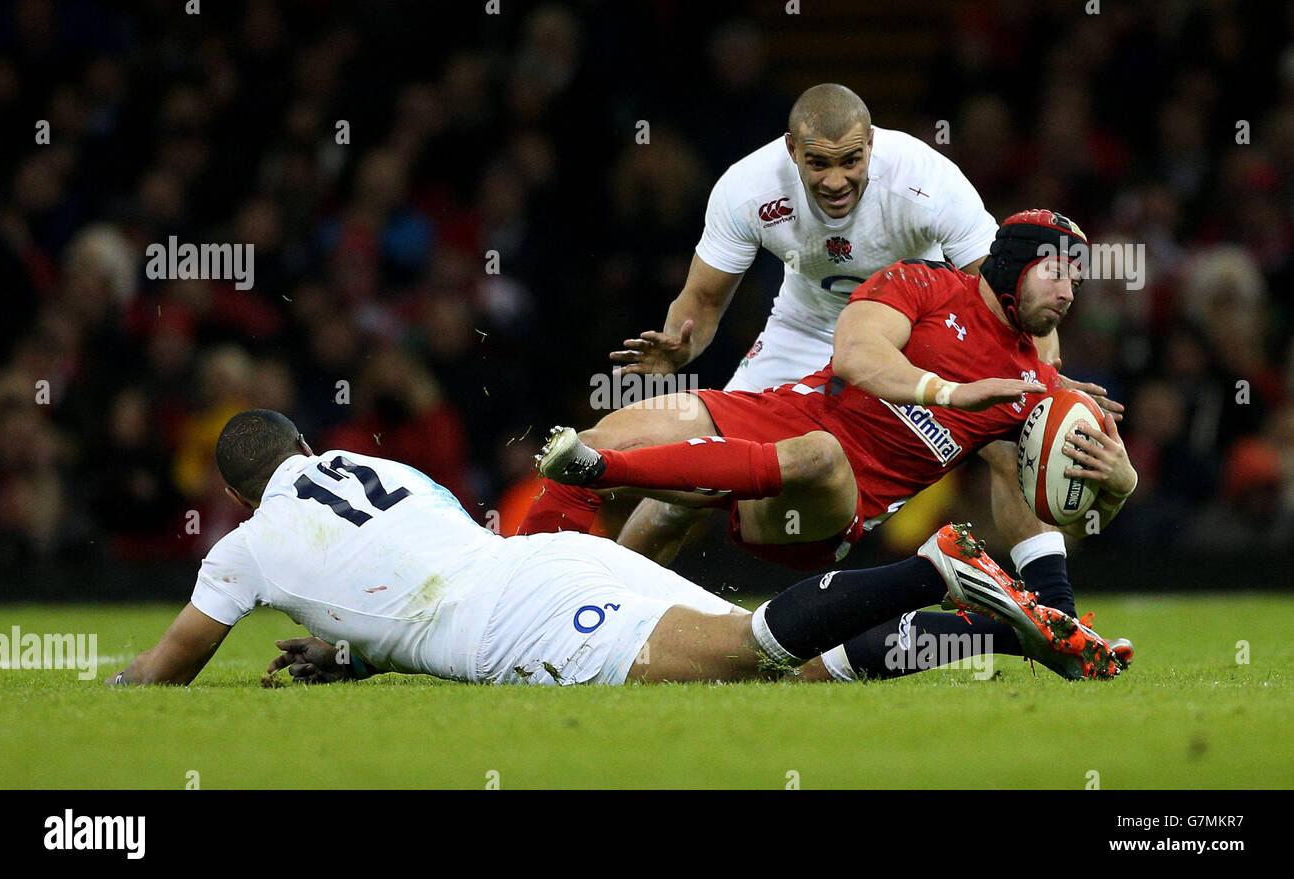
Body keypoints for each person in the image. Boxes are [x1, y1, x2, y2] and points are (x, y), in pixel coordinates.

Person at [548, 85, 1119, 621]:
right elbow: (700, 301)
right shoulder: (748, 187)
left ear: (873, 145)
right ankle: (605, 614)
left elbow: (1009, 296)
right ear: (791, 150)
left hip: (914, 327)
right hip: (805, 329)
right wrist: (682, 346)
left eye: (851, 161)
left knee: (1010, 436)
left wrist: (1042, 381)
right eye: (818, 164)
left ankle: (1054, 609)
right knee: (679, 500)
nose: (835, 180)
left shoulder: (929, 181)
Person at [104, 410, 1128, 688]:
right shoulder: (387, 472)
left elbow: (172, 666)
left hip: (516, 623)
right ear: (304, 448)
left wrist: (118, 681)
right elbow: (405, 579)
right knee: (800, 662)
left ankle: (932, 566)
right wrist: (350, 650)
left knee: (743, 658)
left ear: (240, 487)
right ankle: (988, 630)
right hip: (536, 568)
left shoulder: (247, 541)